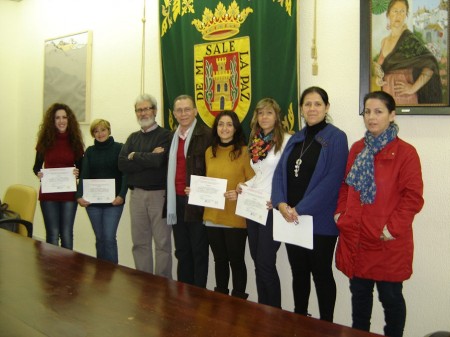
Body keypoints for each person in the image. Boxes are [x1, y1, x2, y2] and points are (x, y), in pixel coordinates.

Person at [335, 91, 424, 337]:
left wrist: (390, 229)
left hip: (388, 242)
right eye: (367, 112)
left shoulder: (406, 152)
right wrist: (340, 213)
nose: (371, 117)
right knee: (360, 299)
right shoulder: (357, 149)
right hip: (358, 238)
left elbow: (412, 197)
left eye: (378, 111)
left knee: (391, 298)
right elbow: (345, 186)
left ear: (392, 115)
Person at [271, 86, 348, 321]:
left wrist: (299, 209)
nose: (312, 108)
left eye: (317, 104)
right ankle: (300, 319)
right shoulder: (296, 137)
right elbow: (280, 174)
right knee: (299, 272)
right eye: (307, 104)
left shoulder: (336, 137)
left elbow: (333, 180)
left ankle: (327, 325)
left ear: (326, 108)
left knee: (321, 273)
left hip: (319, 222)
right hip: (291, 219)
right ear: (302, 109)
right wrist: (281, 203)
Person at [237, 98, 291, 307]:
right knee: (258, 264)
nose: (264, 117)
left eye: (269, 113)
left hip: (272, 209)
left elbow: (288, 177)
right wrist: (245, 184)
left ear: (277, 116)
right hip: (254, 206)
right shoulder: (256, 142)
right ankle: (263, 310)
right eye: (260, 113)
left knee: (266, 263)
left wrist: (279, 199)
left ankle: (274, 314)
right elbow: (261, 175)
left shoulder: (287, 140)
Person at [202, 111, 255, 299]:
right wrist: (196, 192)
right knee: (219, 260)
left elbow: (253, 182)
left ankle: (239, 298)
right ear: (216, 128)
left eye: (229, 124)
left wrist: (240, 190)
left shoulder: (244, 152)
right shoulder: (209, 152)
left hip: (235, 217)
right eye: (221, 124)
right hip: (212, 216)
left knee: (237, 261)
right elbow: (207, 181)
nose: (224, 128)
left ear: (236, 128)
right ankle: (221, 296)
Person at [118, 94, 172, 278]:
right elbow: (122, 164)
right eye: (139, 110)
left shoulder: (166, 135)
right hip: (137, 196)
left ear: (155, 111)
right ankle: (144, 282)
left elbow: (158, 162)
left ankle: (163, 283)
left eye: (146, 108)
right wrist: (148, 156)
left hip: (159, 196)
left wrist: (135, 156)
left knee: (162, 243)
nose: (143, 113)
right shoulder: (132, 137)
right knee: (140, 243)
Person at [166, 94, 211, 288]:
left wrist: (201, 190)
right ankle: (184, 294)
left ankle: (199, 294)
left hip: (197, 203)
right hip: (175, 200)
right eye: (179, 110)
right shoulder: (170, 138)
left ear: (195, 111)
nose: (183, 114)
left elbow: (215, 169)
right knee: (182, 250)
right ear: (174, 114)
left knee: (199, 250)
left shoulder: (207, 135)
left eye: (187, 109)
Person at [33, 103, 85, 250]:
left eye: (64, 117)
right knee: (52, 234)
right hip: (48, 195)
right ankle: (53, 271)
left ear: (69, 120)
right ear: (52, 121)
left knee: (67, 234)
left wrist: (78, 171)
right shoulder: (45, 141)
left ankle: (68, 271)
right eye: (57, 118)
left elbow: (81, 167)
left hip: (69, 194)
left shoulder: (75, 142)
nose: (61, 121)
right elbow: (36, 166)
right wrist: (39, 172)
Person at [76, 119, 127, 264]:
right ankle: (101, 274)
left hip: (114, 202)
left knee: (109, 238)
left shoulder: (120, 148)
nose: (100, 134)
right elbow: (84, 175)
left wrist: (122, 196)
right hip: (93, 203)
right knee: (100, 239)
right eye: (96, 131)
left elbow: (125, 175)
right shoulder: (90, 152)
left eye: (103, 130)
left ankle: (112, 274)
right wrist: (79, 196)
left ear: (109, 130)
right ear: (93, 134)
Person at [374, 0, 442, 104]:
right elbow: (380, 67)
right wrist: (378, 77)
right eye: (395, 11)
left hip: (404, 95)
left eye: (402, 11)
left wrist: (413, 88)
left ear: (406, 15)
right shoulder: (384, 41)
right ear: (388, 14)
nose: (398, 15)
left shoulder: (410, 39)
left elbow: (430, 63)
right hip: (386, 93)